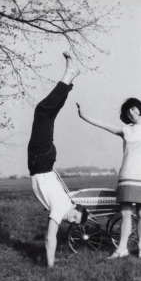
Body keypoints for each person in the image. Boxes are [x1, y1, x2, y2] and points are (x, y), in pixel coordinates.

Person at [77, 98, 141, 259]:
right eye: (128, 112)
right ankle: (122, 248)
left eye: (133, 109)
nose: (131, 113)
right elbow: (102, 123)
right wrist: (83, 115)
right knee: (126, 213)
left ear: (140, 109)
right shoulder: (125, 130)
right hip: (127, 176)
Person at [28, 52, 88, 268]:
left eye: (73, 223)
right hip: (41, 162)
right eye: (74, 217)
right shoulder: (62, 207)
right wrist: (51, 266)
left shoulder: (64, 205)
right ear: (75, 207)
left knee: (47, 114)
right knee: (44, 111)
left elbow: (50, 231)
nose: (69, 221)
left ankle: (69, 78)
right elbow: (49, 237)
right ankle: (69, 75)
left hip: (42, 162)